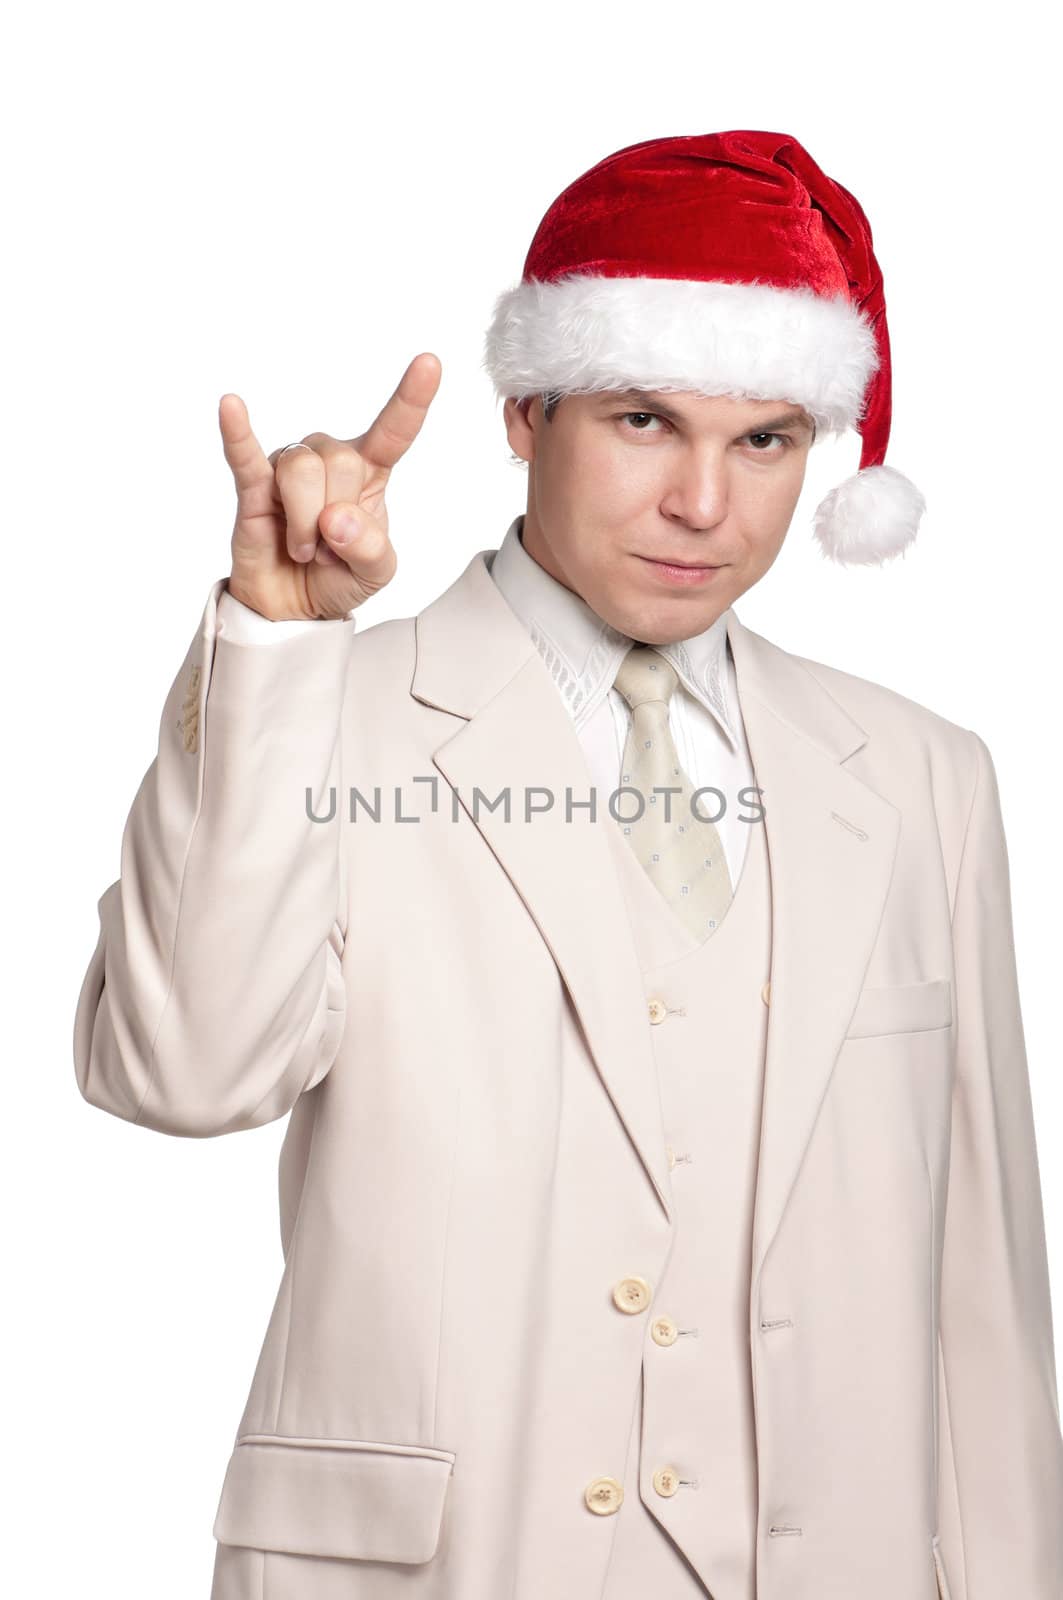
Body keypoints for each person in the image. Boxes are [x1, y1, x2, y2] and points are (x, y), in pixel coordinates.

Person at [73, 130, 1063, 1600]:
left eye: (769, 440)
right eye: (646, 422)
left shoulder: (925, 777)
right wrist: (276, 641)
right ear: (528, 412)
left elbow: (984, 1300)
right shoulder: (325, 711)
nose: (705, 507)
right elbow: (179, 1071)